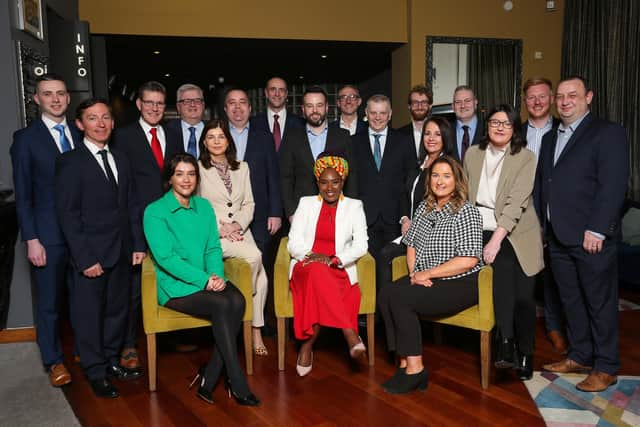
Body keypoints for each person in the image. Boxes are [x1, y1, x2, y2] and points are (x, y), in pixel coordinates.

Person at [534, 75, 629, 392]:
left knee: (599, 303)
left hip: (591, 237)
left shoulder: (607, 133)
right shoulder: (550, 139)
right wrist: (544, 228)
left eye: (572, 95)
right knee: (571, 301)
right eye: (560, 96)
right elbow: (545, 186)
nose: (564, 101)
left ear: (589, 97)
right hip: (558, 237)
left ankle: (606, 366)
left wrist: (599, 228)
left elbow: (613, 185)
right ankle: (580, 355)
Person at [143, 153, 260, 406]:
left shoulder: (204, 207)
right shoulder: (155, 212)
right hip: (175, 287)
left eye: (191, 174)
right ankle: (237, 381)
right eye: (180, 174)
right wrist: (206, 280)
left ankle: (209, 375)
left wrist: (215, 276)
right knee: (221, 304)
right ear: (170, 179)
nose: (186, 180)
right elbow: (166, 259)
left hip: (207, 278)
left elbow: (212, 250)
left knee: (238, 301)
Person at [55, 98, 147, 398]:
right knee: (89, 314)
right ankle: (95, 371)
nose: (101, 123)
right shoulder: (70, 162)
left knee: (117, 311)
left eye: (106, 117)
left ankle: (110, 360)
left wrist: (136, 243)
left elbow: (131, 204)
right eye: (93, 118)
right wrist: (84, 258)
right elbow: (68, 215)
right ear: (80, 124)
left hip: (121, 251)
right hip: (91, 256)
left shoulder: (120, 157)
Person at [379, 156, 483, 394]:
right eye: (435, 175)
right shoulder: (423, 208)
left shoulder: (467, 212)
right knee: (386, 293)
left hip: (460, 280)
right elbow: (411, 244)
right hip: (427, 276)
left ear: (457, 181)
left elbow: (468, 259)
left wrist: (428, 273)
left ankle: (416, 370)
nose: (440, 181)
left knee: (402, 299)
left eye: (447, 176)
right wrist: (415, 273)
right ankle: (403, 362)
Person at [10, 74, 81, 387]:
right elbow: (23, 195)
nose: (55, 99)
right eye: (48, 94)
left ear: (68, 98)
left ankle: (86, 352)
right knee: (50, 303)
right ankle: (53, 361)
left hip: (82, 234)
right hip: (47, 236)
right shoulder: (25, 139)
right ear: (36, 99)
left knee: (83, 299)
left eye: (61, 94)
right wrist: (32, 239)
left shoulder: (82, 134)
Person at [464, 104, 544, 380]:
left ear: (515, 129)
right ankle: (506, 343)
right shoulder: (473, 154)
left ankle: (525, 351)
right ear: (486, 126)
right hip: (481, 228)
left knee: (524, 296)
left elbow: (515, 204)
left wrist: (496, 241)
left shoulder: (525, 157)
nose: (499, 127)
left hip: (517, 231)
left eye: (506, 123)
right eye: (494, 122)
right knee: (502, 277)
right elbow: (464, 195)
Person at [111, 81, 183, 370]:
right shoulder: (123, 138)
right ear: (139, 105)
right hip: (136, 223)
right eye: (149, 102)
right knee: (134, 288)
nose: (154, 108)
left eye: (159, 103)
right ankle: (128, 344)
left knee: (171, 276)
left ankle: (171, 335)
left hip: (171, 222)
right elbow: (123, 188)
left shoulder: (173, 135)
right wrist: (137, 238)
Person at [288, 155, 368, 376]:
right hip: (306, 265)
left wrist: (334, 259)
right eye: (324, 182)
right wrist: (313, 255)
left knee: (320, 282)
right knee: (316, 271)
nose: (329, 187)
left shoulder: (354, 206)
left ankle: (306, 346)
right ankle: (349, 333)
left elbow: (361, 245)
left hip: (338, 268)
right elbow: (293, 242)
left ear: (342, 182)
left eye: (335, 181)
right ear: (317, 183)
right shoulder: (306, 203)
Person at [197, 119, 269, 356]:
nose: (216, 141)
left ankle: (254, 330)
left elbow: (249, 202)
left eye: (221, 136)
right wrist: (222, 228)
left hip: (241, 232)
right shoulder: (197, 168)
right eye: (211, 137)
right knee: (255, 256)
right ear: (204, 142)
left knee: (262, 280)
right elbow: (196, 207)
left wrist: (237, 224)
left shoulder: (242, 167)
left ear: (228, 141)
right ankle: (238, 321)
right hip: (214, 234)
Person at [378, 116, 456, 308]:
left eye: (437, 134)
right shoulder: (418, 164)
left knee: (387, 253)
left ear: (445, 137)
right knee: (384, 254)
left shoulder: (448, 166)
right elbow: (405, 196)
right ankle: (387, 310)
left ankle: (388, 310)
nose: (431, 138)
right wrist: (405, 219)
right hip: (410, 229)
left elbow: (446, 206)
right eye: (427, 133)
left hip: (433, 234)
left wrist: (417, 227)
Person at [351, 94, 416, 291]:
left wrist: (406, 216)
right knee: (366, 270)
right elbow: (351, 182)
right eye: (373, 113)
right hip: (364, 218)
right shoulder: (353, 142)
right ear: (366, 114)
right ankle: (370, 316)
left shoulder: (404, 141)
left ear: (390, 115)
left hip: (395, 218)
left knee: (390, 271)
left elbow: (409, 184)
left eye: (382, 113)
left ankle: (387, 316)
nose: (377, 117)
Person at [520, 77, 566, 355]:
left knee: (553, 274)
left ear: (551, 99)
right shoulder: (514, 131)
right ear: (524, 102)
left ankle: (554, 326)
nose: (536, 102)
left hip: (553, 212)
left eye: (542, 97)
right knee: (523, 272)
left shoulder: (565, 130)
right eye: (531, 98)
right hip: (520, 211)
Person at [280, 86, 357, 221]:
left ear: (327, 107)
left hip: (337, 211)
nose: (315, 110)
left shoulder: (343, 137)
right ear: (303, 109)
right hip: (302, 212)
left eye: (319, 105)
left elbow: (352, 176)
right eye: (310, 106)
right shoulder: (291, 138)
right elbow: (286, 178)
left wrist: (352, 210)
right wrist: (291, 212)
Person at [223, 88, 282, 253]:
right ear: (226, 109)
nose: (237, 107)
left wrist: (275, 213)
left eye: (242, 102)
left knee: (259, 261)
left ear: (250, 108)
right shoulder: (217, 135)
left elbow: (273, 176)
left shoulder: (264, 137)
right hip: (226, 214)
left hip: (259, 214)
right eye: (232, 103)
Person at [250, 76, 304, 153]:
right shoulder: (252, 123)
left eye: (281, 90)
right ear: (266, 93)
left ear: (286, 94)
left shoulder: (301, 123)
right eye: (273, 89)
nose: (277, 94)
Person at [167, 83, 206, 158]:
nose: (192, 104)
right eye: (187, 101)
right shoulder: (166, 131)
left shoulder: (215, 129)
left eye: (197, 100)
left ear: (203, 105)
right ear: (178, 107)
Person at [398, 85, 433, 162]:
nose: (419, 106)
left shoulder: (440, 132)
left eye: (424, 102)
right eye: (415, 102)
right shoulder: (398, 135)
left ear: (430, 106)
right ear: (409, 106)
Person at [451, 85, 484, 162]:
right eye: (458, 102)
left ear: (475, 103)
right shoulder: (445, 131)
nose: (462, 106)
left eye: (467, 101)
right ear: (453, 106)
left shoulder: (488, 129)